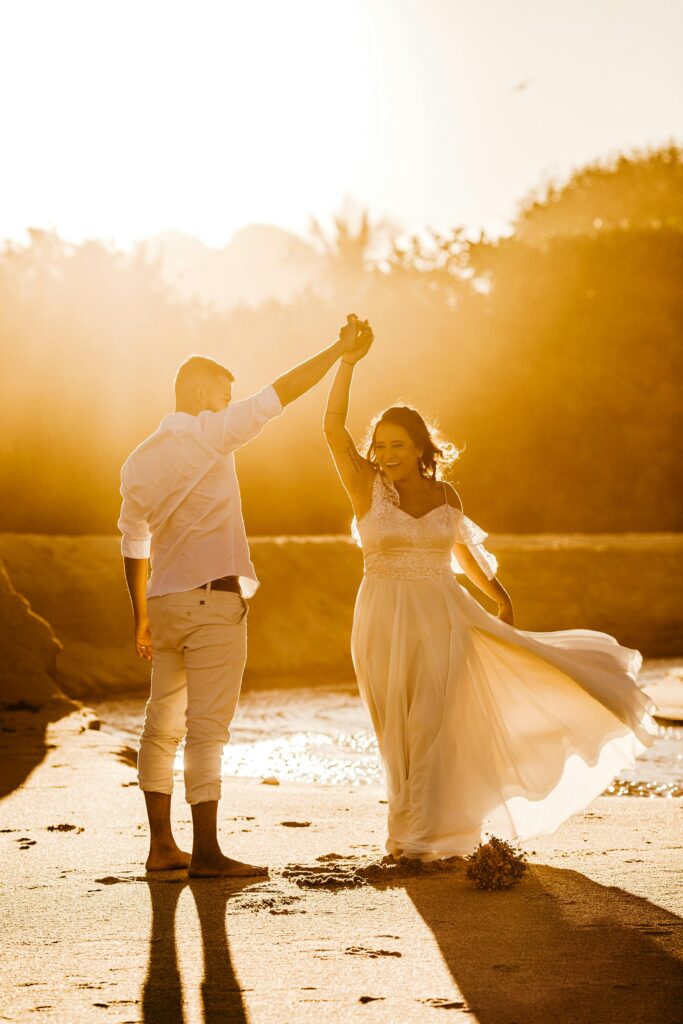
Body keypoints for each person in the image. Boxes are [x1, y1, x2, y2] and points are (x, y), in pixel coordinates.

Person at [323, 331, 658, 861]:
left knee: (434, 723)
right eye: (380, 445)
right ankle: (407, 832)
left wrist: (499, 598)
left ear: (419, 449)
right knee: (396, 727)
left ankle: (424, 840)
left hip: (445, 614)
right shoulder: (367, 488)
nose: (385, 454)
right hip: (381, 617)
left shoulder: (445, 495)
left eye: (397, 445)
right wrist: (346, 362)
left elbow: (463, 555)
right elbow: (332, 429)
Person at [118, 314, 368, 878]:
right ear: (204, 393)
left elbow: (132, 540)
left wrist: (140, 617)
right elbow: (279, 394)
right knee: (206, 730)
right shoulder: (211, 434)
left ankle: (162, 849)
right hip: (213, 604)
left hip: (163, 603)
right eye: (224, 396)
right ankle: (206, 854)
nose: (229, 404)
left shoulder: (137, 462)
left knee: (160, 725)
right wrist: (337, 351)